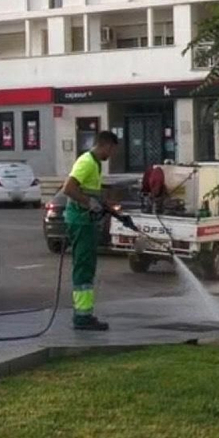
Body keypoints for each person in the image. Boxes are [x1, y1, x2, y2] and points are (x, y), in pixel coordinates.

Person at [59, 130, 120, 331]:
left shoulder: (95, 163)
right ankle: (82, 317)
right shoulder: (86, 162)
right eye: (111, 150)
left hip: (86, 222)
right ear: (106, 145)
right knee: (84, 267)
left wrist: (105, 205)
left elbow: (89, 191)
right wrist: (89, 203)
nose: (111, 155)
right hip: (81, 222)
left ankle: (85, 314)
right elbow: (68, 188)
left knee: (87, 266)